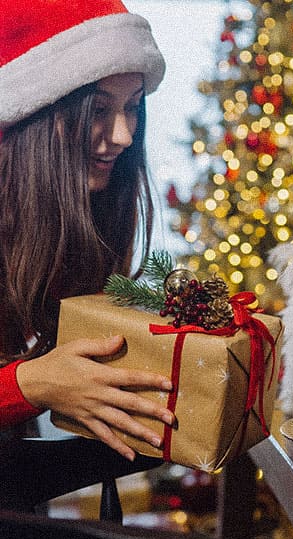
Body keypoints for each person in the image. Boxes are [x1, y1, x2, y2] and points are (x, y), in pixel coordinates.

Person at [0, 0, 175, 462]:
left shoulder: (75, 213)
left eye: (132, 108)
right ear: (32, 112)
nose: (123, 135)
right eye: (98, 110)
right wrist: (31, 383)